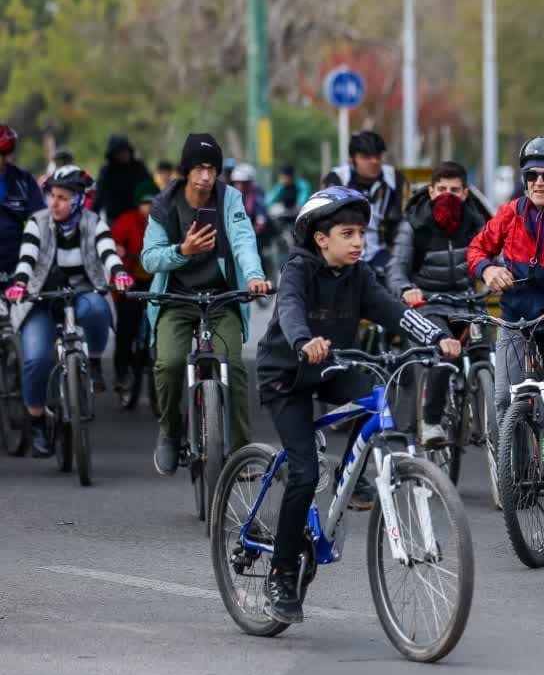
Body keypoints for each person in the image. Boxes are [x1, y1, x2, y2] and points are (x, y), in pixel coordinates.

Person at [255, 187, 460, 623]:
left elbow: (391, 309)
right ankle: (282, 571)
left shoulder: (359, 275)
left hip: (333, 366)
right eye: (346, 233)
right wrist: (302, 340)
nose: (357, 242)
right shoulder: (298, 268)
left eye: (361, 234)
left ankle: (356, 478)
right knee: (305, 473)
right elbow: (289, 308)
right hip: (287, 374)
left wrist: (435, 336)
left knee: (375, 394)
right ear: (320, 238)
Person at [141, 133, 270, 475]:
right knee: (168, 364)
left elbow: (244, 241)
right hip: (176, 299)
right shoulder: (164, 206)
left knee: (233, 364)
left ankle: (242, 452)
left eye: (211, 168)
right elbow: (149, 260)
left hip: (222, 297)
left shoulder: (230, 200)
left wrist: (254, 276)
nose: (205, 177)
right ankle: (169, 432)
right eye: (198, 168)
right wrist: (182, 251)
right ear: (186, 170)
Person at [4, 166, 132, 456]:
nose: (54, 203)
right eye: (52, 197)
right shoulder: (37, 223)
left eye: (62, 198)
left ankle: (95, 364)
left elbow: (107, 251)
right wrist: (21, 282)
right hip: (41, 297)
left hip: (82, 293)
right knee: (37, 359)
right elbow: (27, 257)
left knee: (100, 310)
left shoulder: (93, 222)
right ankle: (36, 420)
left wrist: (119, 273)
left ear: (77, 200)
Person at [468, 137, 544, 424]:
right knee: (505, 399)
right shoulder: (511, 212)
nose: (539, 182)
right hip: (517, 317)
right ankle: (508, 464)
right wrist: (487, 270)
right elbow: (476, 248)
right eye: (531, 175)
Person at [388, 161, 486, 441]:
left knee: (486, 351)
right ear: (430, 191)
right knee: (444, 352)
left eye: (455, 190)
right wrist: (407, 288)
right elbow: (396, 268)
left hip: (469, 302)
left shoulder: (476, 222)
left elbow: (495, 253)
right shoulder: (414, 224)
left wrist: (498, 273)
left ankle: (495, 417)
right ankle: (431, 420)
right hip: (430, 303)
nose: (448, 195)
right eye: (441, 189)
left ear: (466, 193)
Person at [322, 130, 407, 271]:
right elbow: (324, 222)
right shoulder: (336, 180)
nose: (374, 161)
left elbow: (407, 220)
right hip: (343, 253)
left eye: (378, 156)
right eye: (366, 157)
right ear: (352, 160)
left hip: (382, 253)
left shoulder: (396, 179)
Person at [110, 180, 160, 402]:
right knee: (126, 328)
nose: (148, 208)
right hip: (131, 281)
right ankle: (122, 373)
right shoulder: (127, 221)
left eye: (152, 203)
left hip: (157, 282)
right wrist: (118, 249)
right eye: (144, 203)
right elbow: (111, 243)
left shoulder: (164, 221)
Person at [0, 126, 46, 280]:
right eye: (5, 154)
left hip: (18, 261)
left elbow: (40, 218)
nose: (9, 158)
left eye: (8, 154)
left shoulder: (23, 180)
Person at [94, 135, 153, 226]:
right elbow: (98, 198)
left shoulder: (138, 168)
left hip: (138, 217)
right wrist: (91, 219)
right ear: (113, 154)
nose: (123, 154)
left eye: (125, 151)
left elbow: (151, 190)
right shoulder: (107, 172)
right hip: (115, 219)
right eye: (119, 152)